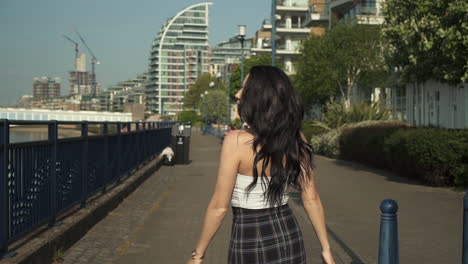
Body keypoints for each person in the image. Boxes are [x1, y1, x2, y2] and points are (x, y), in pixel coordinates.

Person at [188, 66, 336, 264]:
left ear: (260, 97)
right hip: (290, 239)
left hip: (250, 239)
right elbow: (311, 198)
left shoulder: (236, 141)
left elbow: (219, 207)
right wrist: (326, 249)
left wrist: (198, 255)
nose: (237, 93)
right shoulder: (295, 139)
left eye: (244, 89)